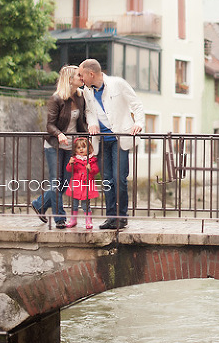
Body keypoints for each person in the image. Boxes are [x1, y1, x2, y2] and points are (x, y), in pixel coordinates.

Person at [79, 58, 144, 230]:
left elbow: (136, 105)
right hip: (102, 141)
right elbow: (89, 111)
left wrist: (138, 123)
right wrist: (92, 122)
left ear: (91, 74)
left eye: (82, 74)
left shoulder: (118, 84)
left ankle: (121, 217)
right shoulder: (87, 90)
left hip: (119, 139)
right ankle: (110, 218)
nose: (80, 78)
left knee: (119, 179)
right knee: (107, 180)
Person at [30, 65, 88, 229]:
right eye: (79, 75)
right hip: (54, 145)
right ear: (70, 79)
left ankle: (40, 203)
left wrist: (88, 135)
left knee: (64, 183)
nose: (81, 77)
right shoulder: (56, 99)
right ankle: (60, 218)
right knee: (56, 182)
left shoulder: (80, 97)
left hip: (71, 146)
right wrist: (59, 134)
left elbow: (81, 122)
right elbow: (49, 125)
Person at [65, 137, 100, 229]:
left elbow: (96, 170)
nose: (81, 149)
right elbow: (69, 170)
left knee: (86, 204)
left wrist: (90, 169)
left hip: (86, 185)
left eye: (83, 147)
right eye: (78, 148)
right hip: (76, 184)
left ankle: (88, 220)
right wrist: (70, 164)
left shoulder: (92, 160)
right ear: (75, 149)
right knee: (74, 203)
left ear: (88, 148)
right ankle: (73, 219)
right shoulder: (74, 159)